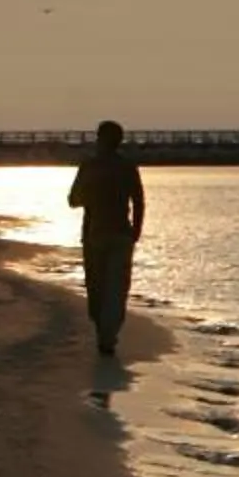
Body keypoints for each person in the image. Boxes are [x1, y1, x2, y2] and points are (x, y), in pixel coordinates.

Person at [67, 119, 146, 357]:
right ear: (119, 141)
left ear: (99, 139)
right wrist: (136, 230)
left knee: (97, 287)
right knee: (117, 288)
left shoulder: (89, 167)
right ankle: (108, 336)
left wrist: (91, 195)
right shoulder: (127, 167)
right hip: (121, 233)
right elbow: (139, 201)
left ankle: (104, 333)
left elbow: (73, 201)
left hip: (95, 234)